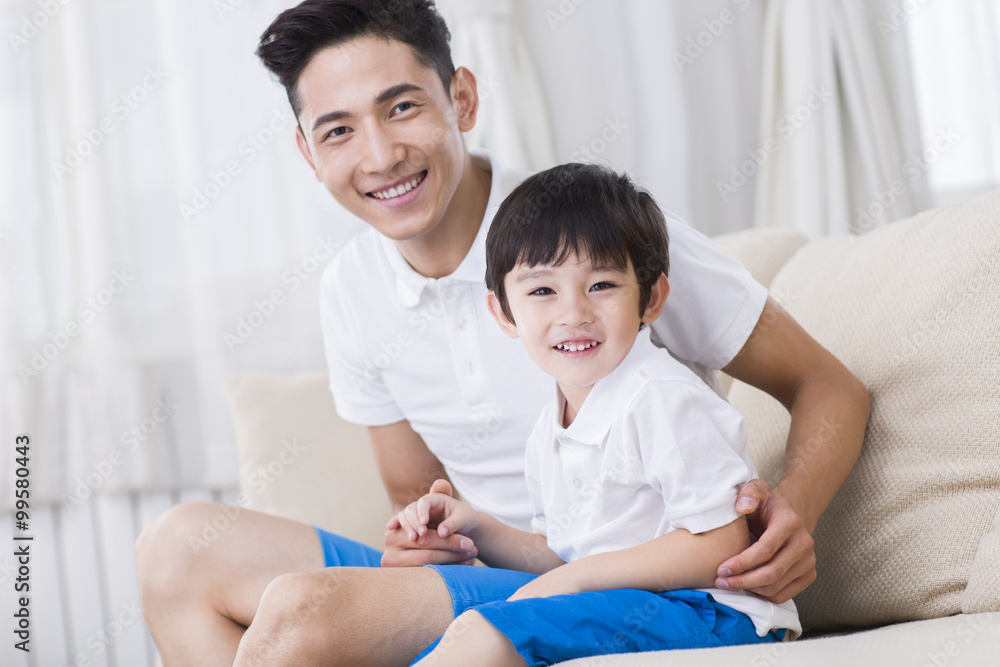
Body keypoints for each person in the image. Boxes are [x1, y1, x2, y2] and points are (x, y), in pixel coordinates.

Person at [134, 1, 869, 665]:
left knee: (301, 612)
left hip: (610, 580)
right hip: (498, 568)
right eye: (339, 130)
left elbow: (828, 385)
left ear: (462, 98)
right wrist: (423, 531)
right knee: (174, 550)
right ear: (308, 152)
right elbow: (417, 493)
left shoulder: (593, 238)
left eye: (401, 107)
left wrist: (791, 517)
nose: (381, 155)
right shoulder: (351, 289)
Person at [393, 162, 801, 666]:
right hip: (623, 606)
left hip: (716, 614)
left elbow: (721, 544)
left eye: (602, 285)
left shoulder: (660, 397)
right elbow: (560, 553)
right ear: (503, 313)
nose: (574, 313)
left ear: (650, 297)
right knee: (459, 637)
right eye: (542, 291)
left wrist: (576, 579)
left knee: (489, 633)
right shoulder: (549, 429)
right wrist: (476, 527)